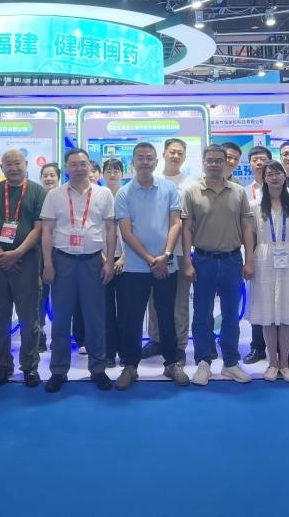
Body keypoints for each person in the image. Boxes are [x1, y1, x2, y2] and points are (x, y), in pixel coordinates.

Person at [42, 148, 117, 392]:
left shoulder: (104, 193)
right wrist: (48, 264)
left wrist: (109, 262)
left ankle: (98, 369)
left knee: (96, 319)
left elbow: (110, 229)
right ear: (66, 168)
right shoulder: (54, 195)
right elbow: (46, 231)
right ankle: (58, 370)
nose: (79, 168)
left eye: (83, 163)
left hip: (93, 261)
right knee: (61, 319)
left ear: (89, 166)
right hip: (62, 261)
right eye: (73, 164)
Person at [115, 142, 188, 388]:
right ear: (133, 162)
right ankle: (130, 366)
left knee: (167, 315)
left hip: (167, 264)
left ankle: (172, 363)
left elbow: (176, 223)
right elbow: (126, 232)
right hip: (136, 267)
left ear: (156, 161)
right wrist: (151, 260)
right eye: (140, 158)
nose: (145, 162)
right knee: (133, 317)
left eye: (149, 158)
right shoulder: (124, 193)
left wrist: (165, 255)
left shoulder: (169, 188)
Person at [184, 144, 256, 386]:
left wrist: (249, 259)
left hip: (232, 260)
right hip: (202, 260)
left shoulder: (238, 191)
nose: (214, 164)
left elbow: (247, 226)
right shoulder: (192, 191)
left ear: (226, 163)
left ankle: (231, 363)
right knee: (201, 315)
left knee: (231, 316)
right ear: (204, 162)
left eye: (218, 160)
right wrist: (187, 261)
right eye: (210, 160)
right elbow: (186, 228)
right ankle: (203, 363)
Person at [0, 149, 48, 387]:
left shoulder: (37, 191)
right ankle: (2, 365)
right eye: (8, 164)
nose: (13, 167)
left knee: (30, 318)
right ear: (1, 167)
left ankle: (29, 366)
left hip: (27, 261)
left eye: (17, 163)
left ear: (26, 164)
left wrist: (16, 253)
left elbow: (39, 228)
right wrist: (1, 254)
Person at [247, 161, 289, 382]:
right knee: (268, 312)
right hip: (264, 257)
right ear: (264, 178)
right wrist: (250, 260)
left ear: (284, 176)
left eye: (278, 173)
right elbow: (251, 235)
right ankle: (272, 362)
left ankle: (285, 362)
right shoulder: (255, 205)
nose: (274, 177)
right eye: (269, 174)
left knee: (286, 310)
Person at [145, 138, 195, 361]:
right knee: (154, 299)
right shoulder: (152, 180)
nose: (175, 156)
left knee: (180, 300)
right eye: (172, 152)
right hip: (155, 251)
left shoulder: (191, 183)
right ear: (164, 154)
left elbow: (190, 221)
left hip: (181, 250)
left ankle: (180, 344)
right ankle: (156, 339)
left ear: (184, 156)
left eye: (180, 153)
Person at [244, 145, 273, 366]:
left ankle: (285, 344)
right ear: (250, 164)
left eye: (263, 159)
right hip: (253, 252)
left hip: (280, 252)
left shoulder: (282, 188)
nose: (259, 163)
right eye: (255, 160)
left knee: (282, 297)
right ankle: (257, 346)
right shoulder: (244, 192)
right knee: (257, 299)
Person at [101, 157, 126, 367]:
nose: (112, 174)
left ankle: (126, 352)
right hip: (103, 258)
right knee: (106, 309)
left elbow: (136, 229)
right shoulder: (97, 196)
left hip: (128, 259)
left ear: (123, 174)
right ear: (102, 174)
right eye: (108, 170)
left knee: (127, 308)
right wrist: (105, 259)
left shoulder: (129, 195)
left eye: (116, 170)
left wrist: (125, 257)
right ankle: (108, 352)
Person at [38, 161, 61, 351]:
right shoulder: (37, 198)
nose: (48, 178)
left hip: (61, 252)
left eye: (52, 175)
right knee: (40, 295)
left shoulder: (64, 197)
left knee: (61, 296)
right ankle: (40, 332)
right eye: (45, 175)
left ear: (58, 178)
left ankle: (59, 334)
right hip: (39, 253)